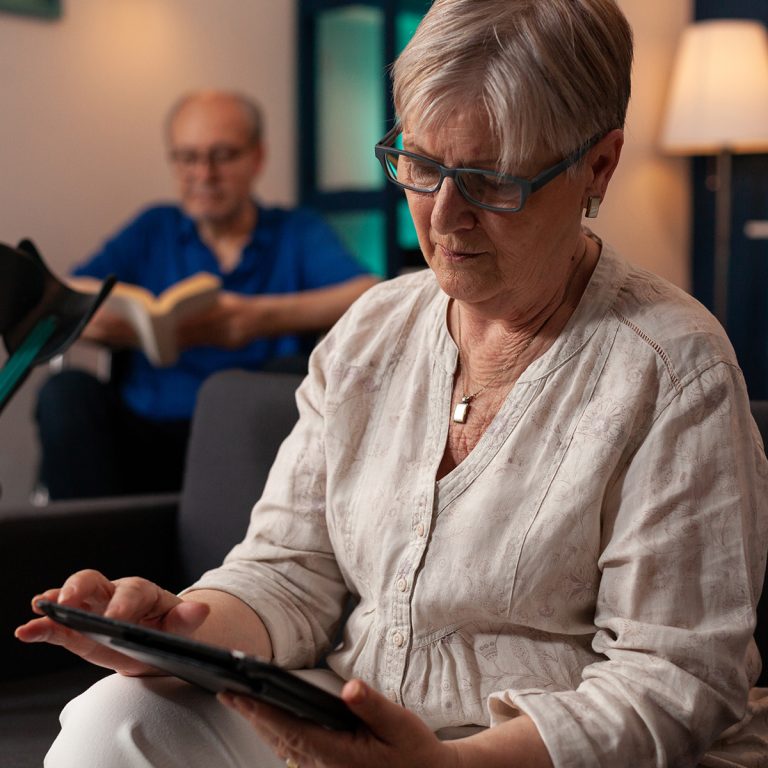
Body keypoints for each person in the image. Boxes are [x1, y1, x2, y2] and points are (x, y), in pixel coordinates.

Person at [16, 1, 768, 765]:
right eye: (421, 164)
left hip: (528, 752)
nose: (443, 218)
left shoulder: (675, 368)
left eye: (489, 181)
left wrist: (446, 765)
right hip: (355, 711)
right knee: (116, 720)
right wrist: (181, 630)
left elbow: (672, 682)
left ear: (597, 166)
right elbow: (288, 569)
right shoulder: (372, 330)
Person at [34, 89, 378, 500]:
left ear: (257, 158)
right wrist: (131, 326)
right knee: (65, 393)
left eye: (223, 155)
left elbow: (370, 294)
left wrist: (253, 320)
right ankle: (90, 558)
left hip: (252, 444)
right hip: (147, 433)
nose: (203, 174)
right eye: (188, 157)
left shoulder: (295, 232)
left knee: (287, 377)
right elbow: (68, 295)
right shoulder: (154, 228)